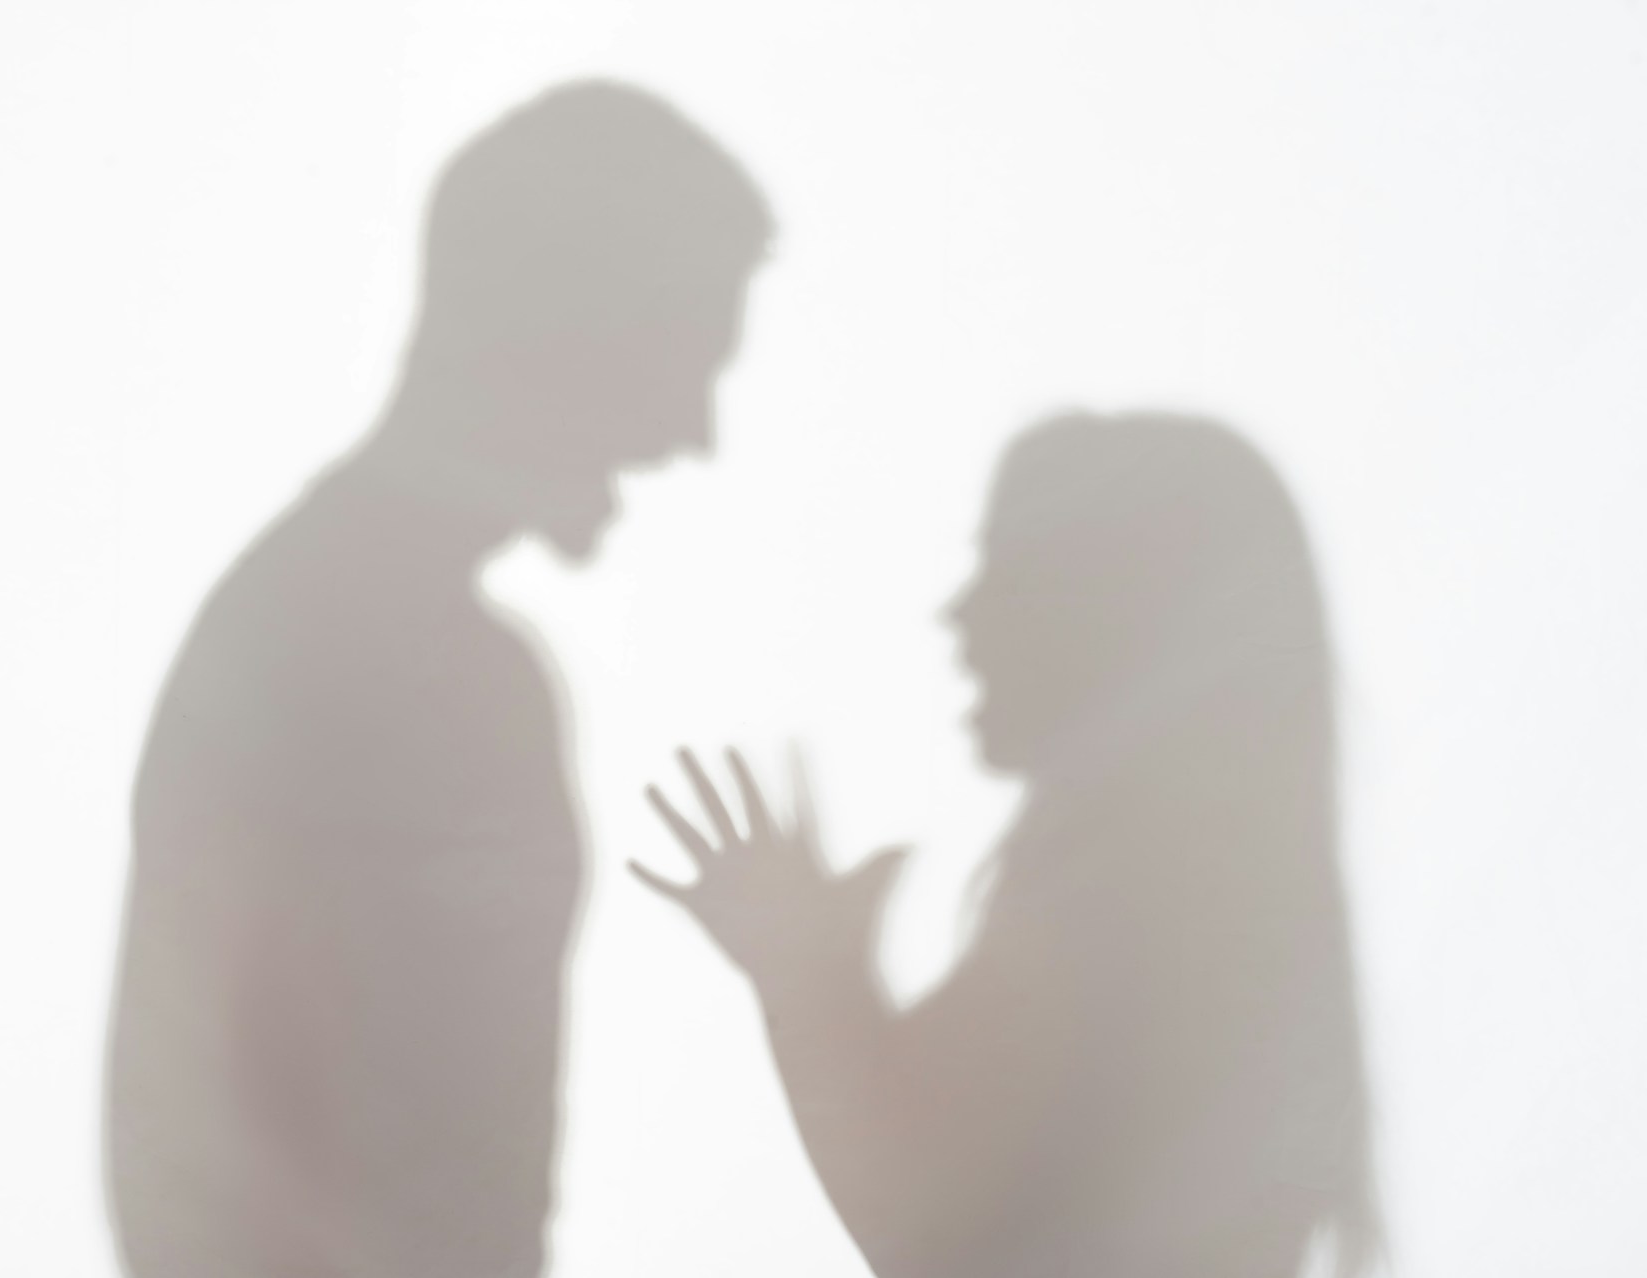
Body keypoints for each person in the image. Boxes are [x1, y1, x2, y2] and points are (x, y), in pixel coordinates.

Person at [108, 82, 772, 1278]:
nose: (696, 432)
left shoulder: (308, 621)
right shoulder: (409, 661)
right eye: (686, 359)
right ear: (573, 330)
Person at [639, 412, 1379, 1278]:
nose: (959, 615)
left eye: (1006, 570)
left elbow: (928, 1231)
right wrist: (812, 980)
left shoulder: (1119, 904)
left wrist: (808, 979)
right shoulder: (1200, 910)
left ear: (1107, 609)